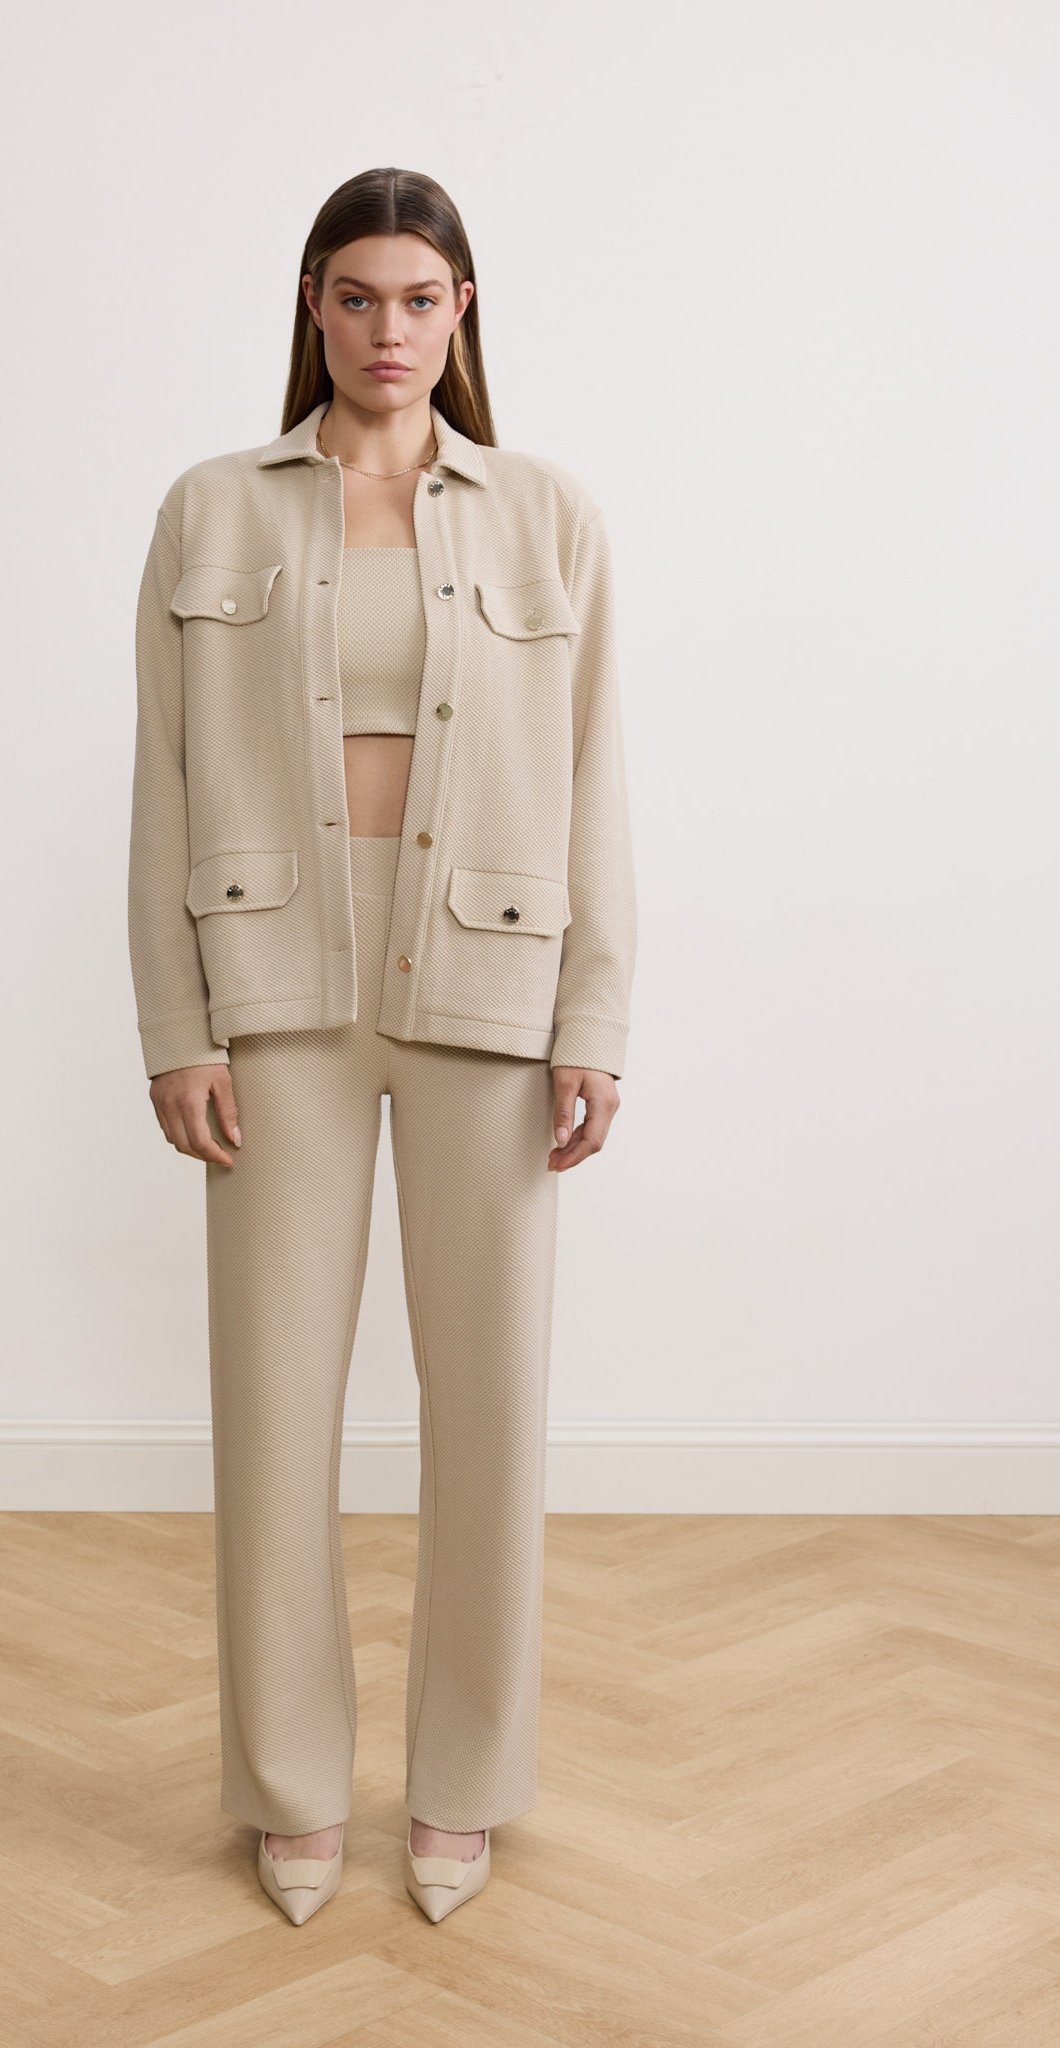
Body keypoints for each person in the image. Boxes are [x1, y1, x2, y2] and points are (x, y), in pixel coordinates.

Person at [128, 167, 636, 1925]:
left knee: (489, 1404)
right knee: (272, 1404)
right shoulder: (211, 509)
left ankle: (463, 1785)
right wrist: (175, 1022)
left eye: (420, 299)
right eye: (357, 297)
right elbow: (161, 780)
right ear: (312, 306)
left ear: (460, 311)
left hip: (487, 983)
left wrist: (595, 1016)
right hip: (275, 984)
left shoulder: (546, 516)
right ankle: (288, 1786)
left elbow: (594, 779)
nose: (388, 330)